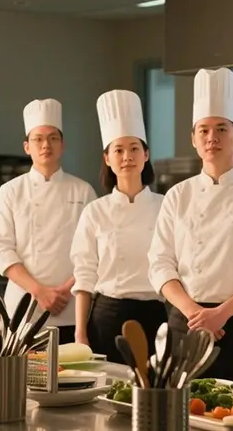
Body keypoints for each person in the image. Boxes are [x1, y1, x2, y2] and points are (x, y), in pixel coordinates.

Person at [148, 67, 233, 384]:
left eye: (221, 129)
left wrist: (221, 312)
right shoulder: (179, 194)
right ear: (193, 139)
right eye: (204, 130)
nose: (212, 137)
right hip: (185, 323)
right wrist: (195, 312)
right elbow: (160, 263)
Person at [0, 98, 97, 344]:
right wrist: (39, 292)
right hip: (23, 310)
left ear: (63, 145)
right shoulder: (10, 191)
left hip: (71, 310)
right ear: (27, 146)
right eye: (38, 139)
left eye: (53, 138)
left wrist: (66, 290)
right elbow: (1, 250)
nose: (45, 145)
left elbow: (95, 250)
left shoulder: (83, 191)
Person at [70, 90, 167, 363]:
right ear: (107, 158)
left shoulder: (166, 206)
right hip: (107, 317)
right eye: (119, 150)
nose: (127, 156)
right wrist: (80, 333)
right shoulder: (95, 211)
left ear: (146, 154)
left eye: (134, 148)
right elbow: (85, 276)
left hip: (156, 316)